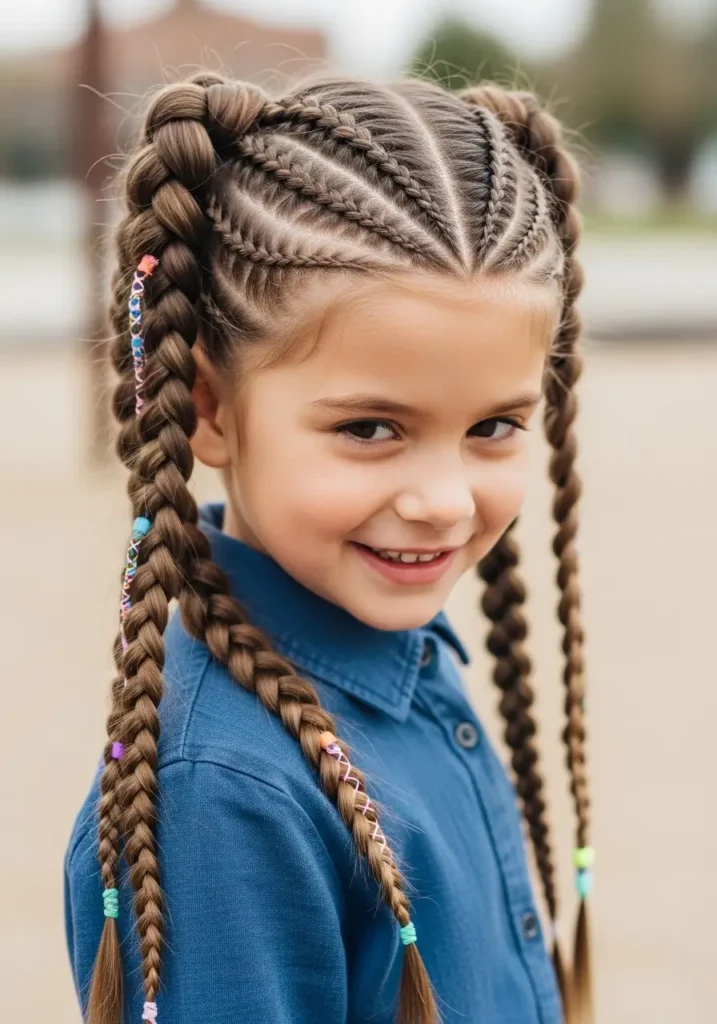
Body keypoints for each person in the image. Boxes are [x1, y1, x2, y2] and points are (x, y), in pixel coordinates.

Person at [63, 72, 594, 1024]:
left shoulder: (408, 661)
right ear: (209, 411)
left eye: (494, 426)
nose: (441, 501)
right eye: (368, 429)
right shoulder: (220, 798)